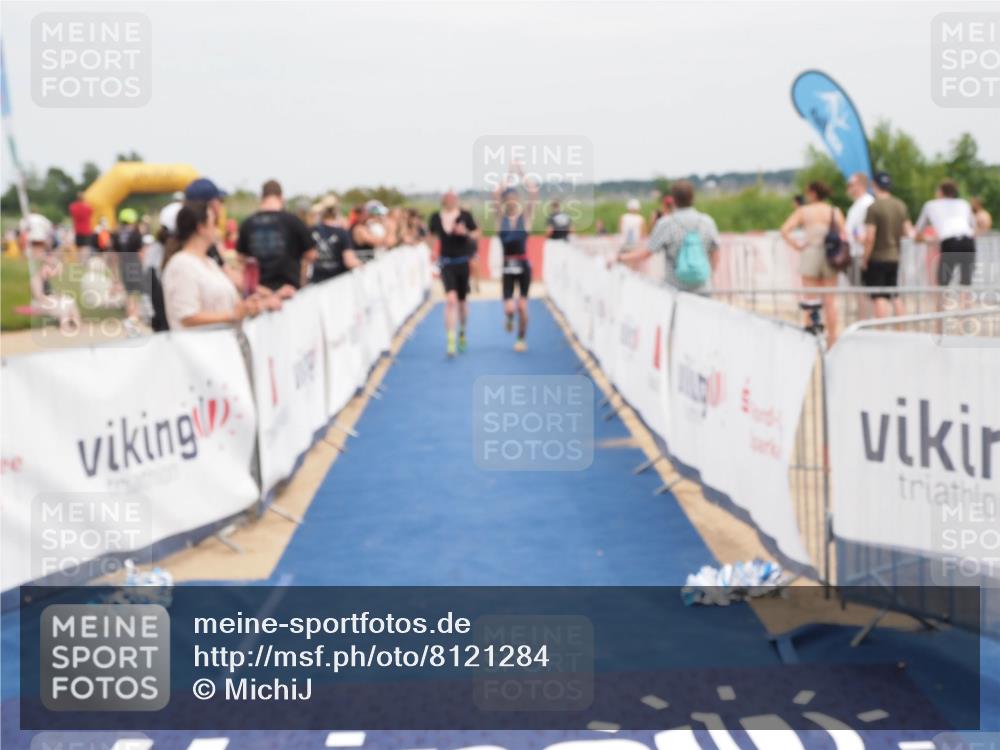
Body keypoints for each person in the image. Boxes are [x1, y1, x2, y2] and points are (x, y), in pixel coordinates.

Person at [163, 202, 274, 329]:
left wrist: (258, 304)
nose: (217, 230)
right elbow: (187, 316)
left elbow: (232, 304)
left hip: (221, 344)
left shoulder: (209, 263)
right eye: (213, 223)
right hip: (199, 347)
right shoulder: (181, 265)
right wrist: (232, 315)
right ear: (201, 228)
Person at [618, 180, 719, 293]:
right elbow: (715, 252)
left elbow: (647, 252)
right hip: (703, 287)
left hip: (675, 290)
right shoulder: (707, 222)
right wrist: (709, 275)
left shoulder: (667, 223)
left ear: (674, 200)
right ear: (693, 198)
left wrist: (620, 258)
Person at [780, 181, 846, 345]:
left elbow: (785, 230)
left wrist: (796, 245)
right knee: (830, 302)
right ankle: (832, 341)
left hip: (810, 253)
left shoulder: (804, 211)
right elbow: (844, 234)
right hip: (830, 256)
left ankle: (810, 341)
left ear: (813, 193)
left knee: (810, 300)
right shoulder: (834, 211)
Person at [237, 179, 316, 292]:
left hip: (259, 294)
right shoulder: (293, 221)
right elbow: (312, 254)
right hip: (289, 293)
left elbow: (240, 258)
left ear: (262, 197)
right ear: (281, 197)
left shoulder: (248, 223)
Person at [428, 190, 480, 357]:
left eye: (453, 198)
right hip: (446, 263)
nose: (450, 200)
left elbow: (477, 233)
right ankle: (450, 341)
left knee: (462, 304)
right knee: (450, 300)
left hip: (463, 263)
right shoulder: (436, 217)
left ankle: (462, 331)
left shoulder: (465, 215)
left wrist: (465, 233)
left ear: (456, 200)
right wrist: (431, 250)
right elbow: (430, 236)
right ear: (444, 200)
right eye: (447, 198)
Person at [492, 172, 539, 353]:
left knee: (522, 306)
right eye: (508, 199)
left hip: (523, 267)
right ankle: (510, 318)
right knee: (510, 308)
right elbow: (495, 194)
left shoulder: (525, 218)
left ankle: (521, 338)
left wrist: (522, 173)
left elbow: (533, 194)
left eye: (514, 198)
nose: (511, 202)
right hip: (507, 267)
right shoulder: (500, 219)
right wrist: (508, 173)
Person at [863, 171, 914, 319]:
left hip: (877, 258)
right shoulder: (900, 205)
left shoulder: (873, 207)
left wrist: (865, 258)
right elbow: (907, 231)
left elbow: (870, 237)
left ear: (874, 185)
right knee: (895, 295)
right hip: (894, 257)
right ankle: (901, 330)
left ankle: (881, 334)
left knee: (879, 297)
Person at [915, 178, 977, 289]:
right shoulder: (963, 203)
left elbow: (918, 231)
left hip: (950, 243)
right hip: (968, 242)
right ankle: (966, 306)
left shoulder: (930, 205)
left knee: (942, 284)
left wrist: (927, 239)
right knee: (966, 283)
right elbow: (973, 227)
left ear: (940, 192)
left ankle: (940, 306)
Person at [25, 213, 81, 331]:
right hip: (42, 301)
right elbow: (39, 296)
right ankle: (64, 325)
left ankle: (77, 324)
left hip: (48, 298)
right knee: (62, 304)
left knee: (68, 300)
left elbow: (55, 264)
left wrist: (56, 297)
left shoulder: (44, 273)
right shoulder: (36, 278)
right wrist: (52, 299)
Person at [114, 207, 146, 335]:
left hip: (123, 265)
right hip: (135, 265)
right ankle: (134, 319)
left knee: (129, 293)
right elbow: (140, 252)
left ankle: (130, 317)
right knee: (136, 294)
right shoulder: (136, 234)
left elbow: (116, 254)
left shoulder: (117, 234)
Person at [311, 200, 360, 283]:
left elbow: (306, 259)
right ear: (336, 212)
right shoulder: (342, 232)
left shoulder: (312, 231)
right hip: (338, 282)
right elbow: (349, 261)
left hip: (317, 282)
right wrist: (363, 266)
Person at [844, 173, 875, 286]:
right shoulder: (858, 204)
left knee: (864, 292)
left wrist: (865, 256)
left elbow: (871, 229)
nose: (848, 188)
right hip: (855, 252)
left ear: (860, 185)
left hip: (862, 254)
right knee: (859, 291)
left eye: (851, 184)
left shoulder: (867, 203)